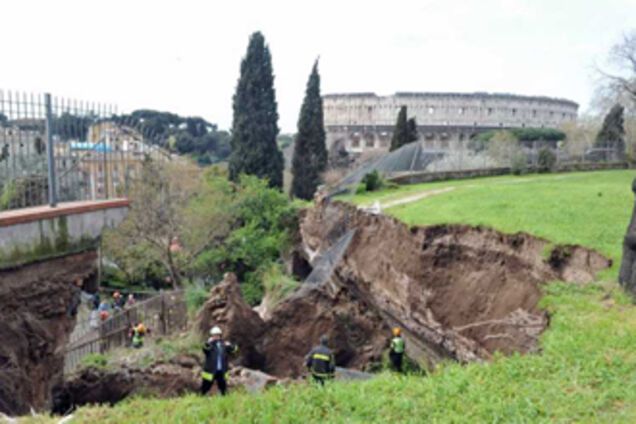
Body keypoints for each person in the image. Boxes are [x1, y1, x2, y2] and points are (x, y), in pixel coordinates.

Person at [201, 326, 238, 396]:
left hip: (221, 371)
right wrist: (208, 343)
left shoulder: (224, 344)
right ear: (211, 336)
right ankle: (201, 399)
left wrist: (230, 345)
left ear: (220, 335)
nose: (216, 337)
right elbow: (205, 349)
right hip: (210, 371)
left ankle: (224, 400)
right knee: (205, 388)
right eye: (214, 335)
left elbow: (234, 350)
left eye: (217, 335)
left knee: (223, 388)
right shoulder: (209, 345)